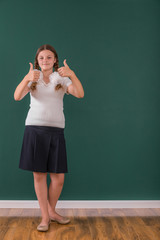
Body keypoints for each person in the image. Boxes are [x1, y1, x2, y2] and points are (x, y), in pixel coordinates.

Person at [14, 44, 84, 232]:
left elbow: (79, 93)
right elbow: (17, 96)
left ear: (55, 61)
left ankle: (51, 211)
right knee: (39, 176)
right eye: (42, 58)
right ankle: (45, 217)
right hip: (34, 131)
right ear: (37, 61)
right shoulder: (33, 78)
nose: (45, 61)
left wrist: (72, 75)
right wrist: (26, 78)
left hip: (56, 132)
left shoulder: (61, 79)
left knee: (58, 178)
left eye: (49, 57)